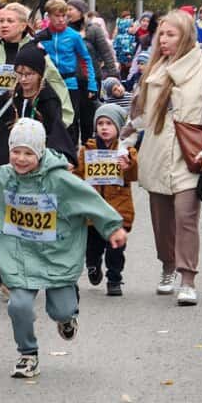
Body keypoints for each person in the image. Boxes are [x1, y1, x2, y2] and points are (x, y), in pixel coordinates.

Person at [0, 118, 127, 379]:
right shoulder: (1, 177)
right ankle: (28, 354)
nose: (21, 159)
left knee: (61, 309)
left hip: (56, 255)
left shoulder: (60, 180)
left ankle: (67, 318)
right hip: (18, 255)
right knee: (18, 305)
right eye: (16, 152)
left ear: (40, 153)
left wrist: (112, 227)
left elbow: (89, 200)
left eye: (28, 153)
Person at [119, 10, 202, 306]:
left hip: (190, 154)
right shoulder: (154, 70)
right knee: (162, 221)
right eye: (162, 35)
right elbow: (139, 115)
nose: (164, 40)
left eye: (171, 35)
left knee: (186, 216)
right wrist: (124, 144)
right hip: (156, 153)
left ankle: (187, 278)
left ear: (187, 37)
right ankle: (168, 265)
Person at [0, 2, 73, 152]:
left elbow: (55, 82)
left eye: (10, 21)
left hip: (24, 120)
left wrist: (64, 118)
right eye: (0, 21)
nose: (3, 25)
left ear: (23, 26)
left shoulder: (35, 51)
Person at [74, 104, 136, 296]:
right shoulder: (87, 149)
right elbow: (78, 175)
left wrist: (128, 166)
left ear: (118, 127)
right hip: (93, 211)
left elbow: (134, 175)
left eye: (109, 123)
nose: (104, 127)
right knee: (93, 248)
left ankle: (114, 279)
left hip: (119, 210)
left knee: (115, 249)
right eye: (100, 123)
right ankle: (92, 266)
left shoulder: (126, 151)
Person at [33, 0, 97, 147]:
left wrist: (92, 84)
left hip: (69, 83)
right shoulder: (41, 36)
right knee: (48, 117)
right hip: (48, 83)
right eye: (57, 16)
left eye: (64, 16)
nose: (61, 19)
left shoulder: (73, 36)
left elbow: (86, 60)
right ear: (49, 16)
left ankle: (71, 152)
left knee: (71, 120)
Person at [66, 0, 119, 144]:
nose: (67, 12)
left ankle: (87, 147)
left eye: (70, 9)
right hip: (69, 80)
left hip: (90, 81)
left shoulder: (93, 29)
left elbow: (106, 52)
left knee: (88, 117)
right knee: (71, 117)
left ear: (81, 11)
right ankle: (72, 150)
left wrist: (113, 75)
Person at [113, 11, 136, 79]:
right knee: (125, 74)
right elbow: (126, 50)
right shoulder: (125, 37)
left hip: (123, 61)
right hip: (126, 62)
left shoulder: (127, 36)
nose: (133, 28)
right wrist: (129, 58)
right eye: (126, 19)